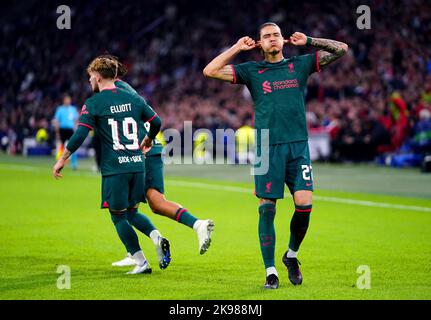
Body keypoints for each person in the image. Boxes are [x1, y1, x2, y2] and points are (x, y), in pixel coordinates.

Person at [203, 22, 348, 288]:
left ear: (283, 40)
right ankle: (270, 271)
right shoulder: (252, 70)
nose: (272, 39)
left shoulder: (299, 65)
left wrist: (310, 40)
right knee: (267, 209)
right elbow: (209, 70)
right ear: (259, 43)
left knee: (304, 206)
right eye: (267, 36)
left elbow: (341, 49)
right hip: (266, 148)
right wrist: (237, 47)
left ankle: (291, 255)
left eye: (276, 35)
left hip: (298, 146)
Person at [52, 56, 170, 275]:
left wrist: (63, 158)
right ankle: (156, 237)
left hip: (115, 168)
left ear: (97, 77)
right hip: (137, 164)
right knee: (132, 213)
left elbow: (80, 134)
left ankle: (141, 262)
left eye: (90, 78)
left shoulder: (94, 103)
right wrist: (149, 139)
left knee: (118, 216)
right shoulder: (132, 97)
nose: (89, 82)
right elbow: (157, 122)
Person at [96, 55, 214, 267]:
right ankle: (169, 235)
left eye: (92, 76)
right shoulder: (123, 89)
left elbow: (147, 120)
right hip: (145, 150)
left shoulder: (115, 92)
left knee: (135, 208)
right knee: (141, 208)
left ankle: (195, 225)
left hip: (142, 151)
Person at [53, 95, 79, 170]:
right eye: (67, 99)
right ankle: (59, 163)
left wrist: (76, 128)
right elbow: (57, 121)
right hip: (62, 130)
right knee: (61, 146)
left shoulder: (73, 109)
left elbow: (76, 120)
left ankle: (74, 164)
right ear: (64, 100)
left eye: (69, 99)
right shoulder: (60, 109)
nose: (68, 101)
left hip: (70, 130)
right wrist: (57, 132)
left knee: (73, 146)